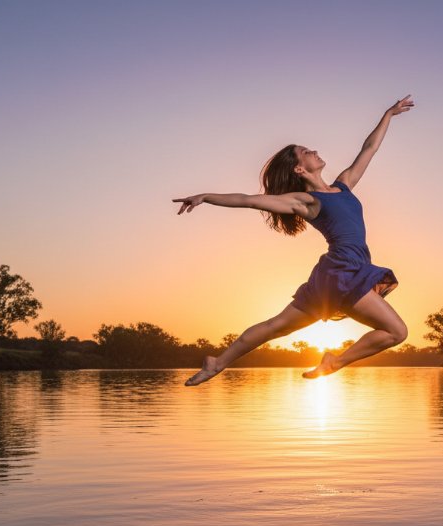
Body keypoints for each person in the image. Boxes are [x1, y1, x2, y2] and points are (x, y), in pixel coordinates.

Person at [173, 95, 415, 386]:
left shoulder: (344, 185)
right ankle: (334, 361)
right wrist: (206, 197)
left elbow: (369, 148)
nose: (314, 151)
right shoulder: (306, 201)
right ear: (299, 169)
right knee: (396, 332)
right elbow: (250, 200)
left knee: (277, 326)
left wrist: (388, 114)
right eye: (306, 152)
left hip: (336, 274)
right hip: (343, 274)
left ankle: (217, 362)